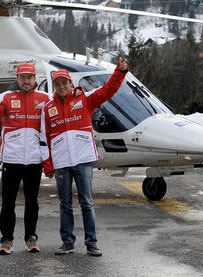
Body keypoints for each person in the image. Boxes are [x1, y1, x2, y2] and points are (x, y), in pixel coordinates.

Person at [40, 58, 129, 257]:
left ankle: (91, 243)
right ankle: (67, 242)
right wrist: (48, 165)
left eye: (65, 82)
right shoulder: (48, 108)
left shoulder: (85, 99)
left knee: (87, 203)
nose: (62, 86)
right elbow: (45, 138)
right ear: (54, 86)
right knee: (65, 204)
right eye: (58, 83)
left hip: (83, 160)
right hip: (62, 163)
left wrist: (120, 72)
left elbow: (107, 90)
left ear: (71, 84)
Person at [0, 63, 50, 255]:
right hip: (11, 158)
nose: (26, 81)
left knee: (32, 201)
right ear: (17, 79)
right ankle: (6, 239)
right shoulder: (6, 98)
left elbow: (60, 108)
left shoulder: (45, 99)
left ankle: (31, 237)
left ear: (35, 79)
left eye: (29, 77)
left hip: (34, 159)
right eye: (22, 77)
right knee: (8, 202)